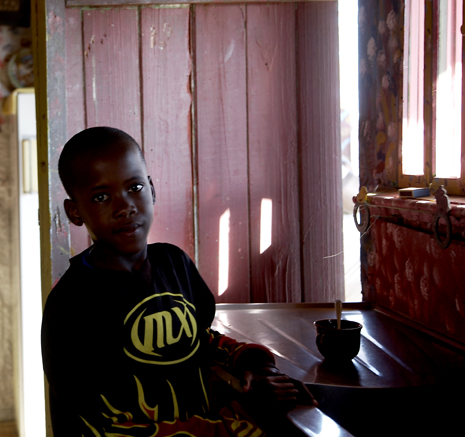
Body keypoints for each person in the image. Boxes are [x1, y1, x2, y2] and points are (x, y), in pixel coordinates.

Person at [41, 127, 315, 436]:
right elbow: (106, 426)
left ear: (152, 190)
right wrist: (242, 421)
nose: (124, 207)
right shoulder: (72, 305)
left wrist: (253, 364)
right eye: (101, 197)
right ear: (74, 211)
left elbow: (196, 339)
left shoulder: (173, 263)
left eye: (134, 187)